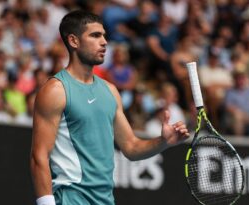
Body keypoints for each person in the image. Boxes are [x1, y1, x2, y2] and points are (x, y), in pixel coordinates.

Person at [30, 10, 189, 205]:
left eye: (104, 35)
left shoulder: (110, 91)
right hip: (70, 199)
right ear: (73, 41)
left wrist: (164, 141)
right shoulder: (56, 90)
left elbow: (131, 147)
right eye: (95, 35)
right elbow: (39, 156)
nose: (104, 42)